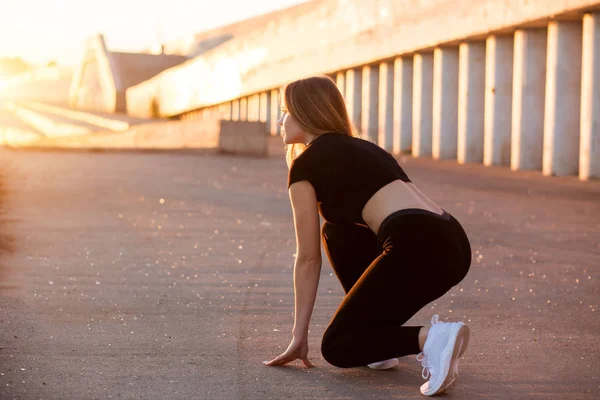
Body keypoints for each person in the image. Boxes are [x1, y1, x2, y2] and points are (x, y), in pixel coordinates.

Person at [263, 75, 472, 396]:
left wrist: (298, 335)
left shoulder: (306, 165)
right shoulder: (366, 148)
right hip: (451, 240)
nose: (280, 120)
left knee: (336, 346)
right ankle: (378, 346)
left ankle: (434, 339)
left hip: (416, 242)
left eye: (285, 111)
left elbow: (307, 258)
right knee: (335, 231)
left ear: (306, 112)